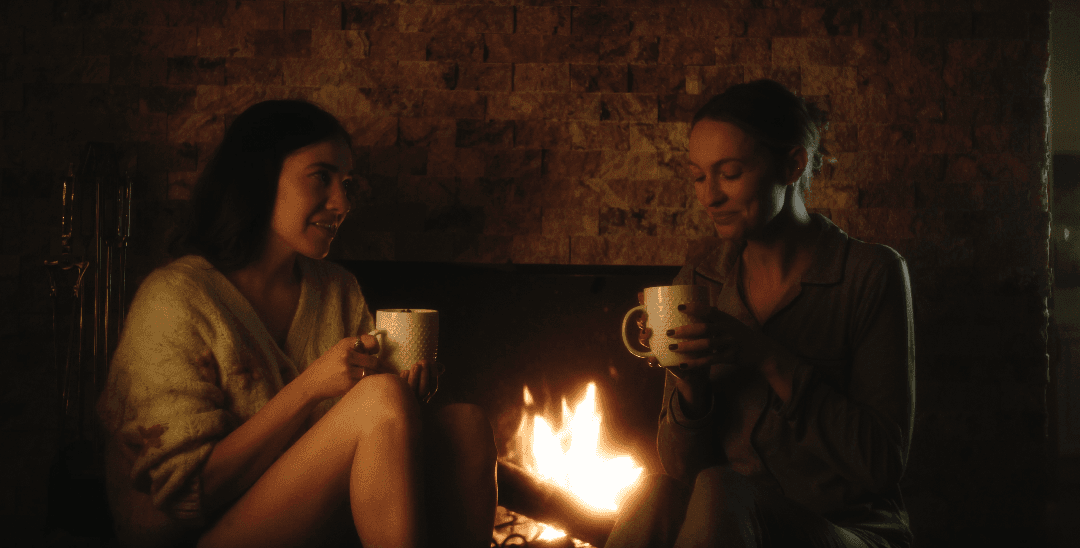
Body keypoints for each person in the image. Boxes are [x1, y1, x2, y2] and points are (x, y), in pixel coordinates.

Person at [97, 100, 498, 548]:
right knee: (380, 399)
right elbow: (188, 496)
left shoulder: (338, 290)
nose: (342, 203)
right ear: (259, 178)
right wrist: (311, 387)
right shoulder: (175, 299)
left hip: (312, 525)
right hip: (199, 533)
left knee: (466, 425)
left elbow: (360, 440)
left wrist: (407, 403)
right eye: (320, 177)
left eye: (346, 184)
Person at [606, 80, 915, 548]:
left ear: (792, 165)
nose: (709, 196)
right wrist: (692, 386)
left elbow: (881, 463)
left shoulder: (870, 274)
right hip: (728, 522)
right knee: (657, 489)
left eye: (729, 172)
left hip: (849, 529)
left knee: (717, 489)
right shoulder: (700, 281)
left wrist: (767, 358)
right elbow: (680, 470)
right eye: (697, 175)